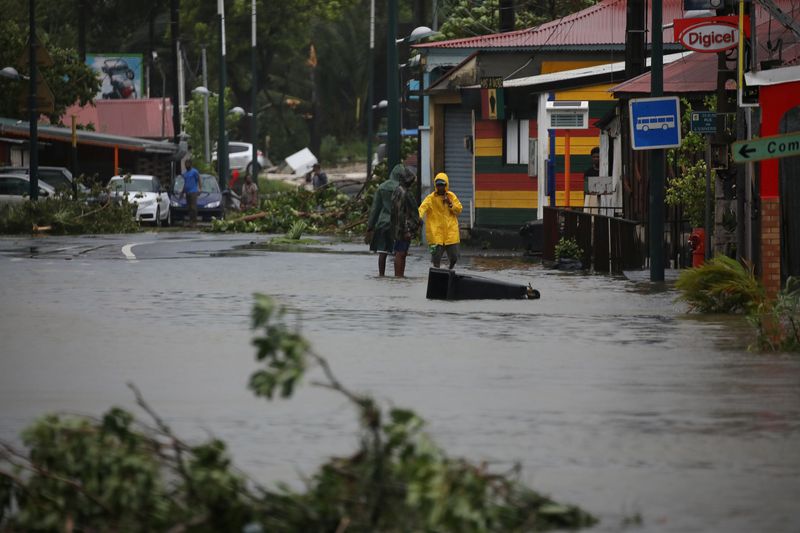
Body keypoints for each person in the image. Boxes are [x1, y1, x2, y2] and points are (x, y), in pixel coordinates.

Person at [418, 172, 462, 270]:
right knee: (436, 259)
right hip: (435, 234)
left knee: (454, 257)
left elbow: (459, 209)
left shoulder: (451, 196)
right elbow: (422, 208)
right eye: (438, 185)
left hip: (451, 233)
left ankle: (450, 269)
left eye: (442, 185)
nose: (440, 187)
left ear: (446, 185)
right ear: (435, 185)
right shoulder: (430, 198)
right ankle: (437, 273)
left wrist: (450, 204)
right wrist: (419, 217)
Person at [365, 163, 404, 276]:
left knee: (382, 252)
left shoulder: (382, 187)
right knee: (399, 253)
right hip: (398, 225)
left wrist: (370, 227)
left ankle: (381, 275)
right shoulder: (402, 189)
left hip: (383, 223)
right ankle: (398, 278)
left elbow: (375, 210)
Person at [390, 167, 421, 277]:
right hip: (403, 228)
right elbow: (401, 213)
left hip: (400, 228)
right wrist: (406, 230)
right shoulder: (403, 193)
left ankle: (399, 277)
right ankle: (399, 277)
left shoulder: (398, 191)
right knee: (401, 253)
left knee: (401, 252)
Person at [181, 158, 201, 227]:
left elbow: (199, 180)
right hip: (187, 192)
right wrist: (182, 192)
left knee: (193, 208)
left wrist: (200, 189)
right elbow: (185, 183)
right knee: (189, 208)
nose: (186, 165)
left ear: (190, 164)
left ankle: (194, 222)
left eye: (187, 164)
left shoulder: (194, 172)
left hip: (193, 192)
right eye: (185, 164)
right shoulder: (185, 174)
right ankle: (190, 222)